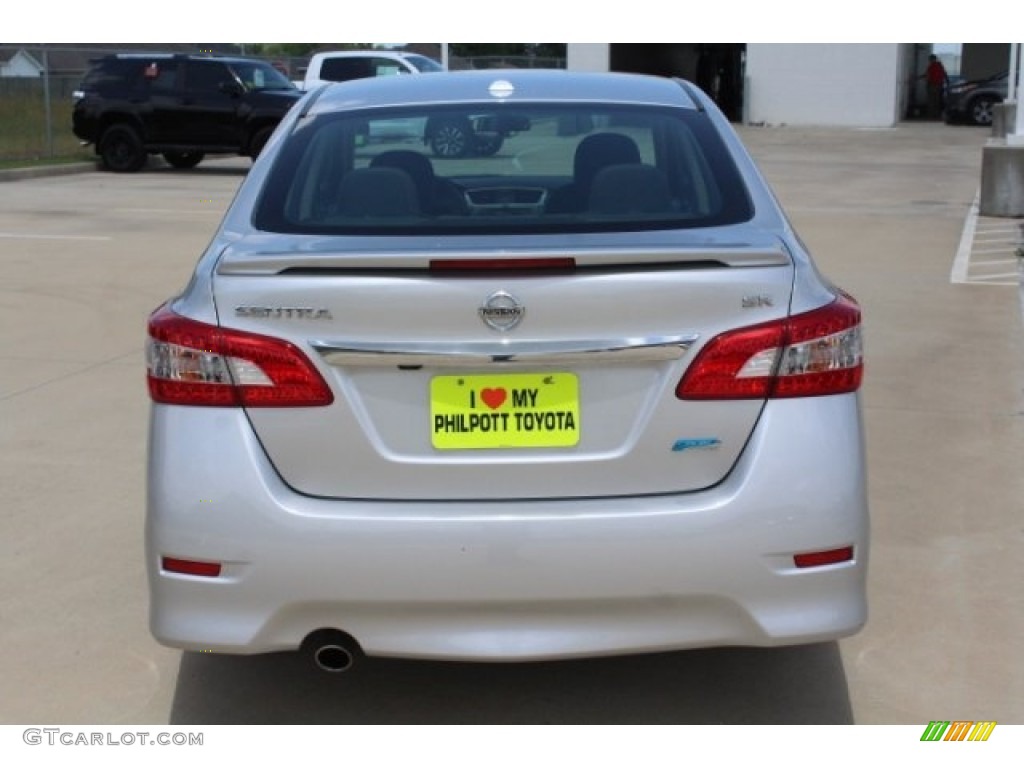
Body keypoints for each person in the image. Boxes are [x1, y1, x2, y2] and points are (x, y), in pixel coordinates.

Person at [923, 54, 948, 119]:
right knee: (937, 100)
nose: (930, 61)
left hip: (932, 85)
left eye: (930, 59)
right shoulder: (939, 65)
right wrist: (948, 82)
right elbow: (945, 74)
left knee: (931, 101)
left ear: (932, 59)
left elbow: (927, 76)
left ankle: (931, 114)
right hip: (939, 85)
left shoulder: (931, 67)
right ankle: (936, 115)